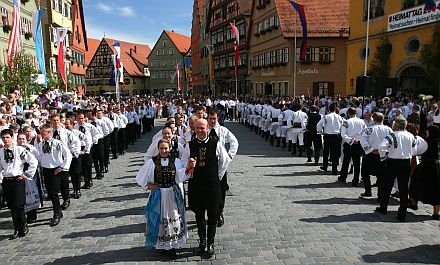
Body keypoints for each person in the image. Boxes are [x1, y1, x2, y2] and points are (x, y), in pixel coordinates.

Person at [136, 139, 194, 257]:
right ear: (158, 149)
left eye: (166, 148)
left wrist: (189, 168)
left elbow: (181, 176)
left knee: (174, 216)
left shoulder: (176, 161)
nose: (163, 150)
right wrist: (148, 185)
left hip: (173, 194)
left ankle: (172, 245)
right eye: (161, 148)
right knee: (160, 217)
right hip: (159, 194)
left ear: (169, 148)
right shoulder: (152, 162)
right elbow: (140, 176)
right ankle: (162, 244)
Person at [188, 119, 231, 257]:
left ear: (208, 128)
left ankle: (210, 242)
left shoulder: (215, 143)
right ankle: (202, 241)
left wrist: (216, 176)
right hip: (196, 185)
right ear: (194, 129)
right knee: (199, 214)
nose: (200, 131)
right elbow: (183, 166)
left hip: (212, 185)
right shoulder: (189, 145)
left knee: (213, 215)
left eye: (203, 128)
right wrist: (190, 167)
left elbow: (224, 162)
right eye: (197, 128)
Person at [377, 117, 416, 222]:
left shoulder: (392, 135)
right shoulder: (411, 136)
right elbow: (414, 148)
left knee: (387, 185)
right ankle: (402, 212)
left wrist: (384, 156)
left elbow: (381, 146)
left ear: (396, 125)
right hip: (405, 162)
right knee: (403, 188)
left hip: (393, 162)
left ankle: (383, 207)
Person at [0, 129, 38, 239]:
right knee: (11, 206)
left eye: (7, 137)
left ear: (12, 138)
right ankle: (16, 228)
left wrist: (26, 175)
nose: (5, 140)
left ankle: (23, 225)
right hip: (7, 180)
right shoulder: (1, 152)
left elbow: (33, 162)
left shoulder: (19, 150)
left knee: (18, 205)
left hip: (18, 180)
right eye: (3, 138)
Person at [207, 108, 239, 228]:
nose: (213, 121)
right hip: (208, 165)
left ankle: (219, 212)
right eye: (210, 118)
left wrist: (229, 156)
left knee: (221, 190)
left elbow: (234, 142)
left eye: (214, 118)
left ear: (218, 118)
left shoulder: (223, 130)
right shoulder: (204, 130)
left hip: (220, 164)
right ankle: (210, 212)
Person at [38, 123, 72, 226]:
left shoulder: (57, 143)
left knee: (54, 193)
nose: (41, 134)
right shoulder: (41, 144)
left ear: (48, 132)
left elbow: (68, 155)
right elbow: (40, 156)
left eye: (42, 132)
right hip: (46, 169)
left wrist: (62, 167)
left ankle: (56, 213)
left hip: (55, 170)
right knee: (50, 192)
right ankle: (58, 211)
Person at [360, 112, 392, 197]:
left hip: (371, 154)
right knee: (381, 175)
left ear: (373, 119)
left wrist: (370, 150)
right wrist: (385, 151)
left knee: (365, 173)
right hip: (383, 155)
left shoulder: (369, 129)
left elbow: (363, 140)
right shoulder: (389, 129)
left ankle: (368, 190)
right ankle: (380, 194)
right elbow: (391, 141)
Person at [338, 107, 366, 186]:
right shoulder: (362, 122)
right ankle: (355, 180)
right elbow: (365, 133)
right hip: (358, 144)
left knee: (346, 161)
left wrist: (351, 140)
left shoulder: (346, 122)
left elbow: (343, 134)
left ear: (348, 113)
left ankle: (343, 178)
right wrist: (359, 139)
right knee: (357, 162)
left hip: (349, 144)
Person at [418, 125, 440, 219]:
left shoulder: (427, 142)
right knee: (437, 191)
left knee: (419, 184)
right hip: (437, 167)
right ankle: (436, 213)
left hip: (429, 168)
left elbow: (420, 152)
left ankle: (413, 201)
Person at [316, 103, 343, 175]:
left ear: (329, 109)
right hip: (336, 136)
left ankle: (325, 166)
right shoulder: (339, 117)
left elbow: (319, 124)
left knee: (326, 152)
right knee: (335, 153)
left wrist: (320, 132)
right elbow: (343, 125)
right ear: (336, 109)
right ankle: (334, 169)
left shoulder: (326, 117)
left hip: (328, 136)